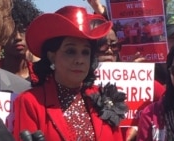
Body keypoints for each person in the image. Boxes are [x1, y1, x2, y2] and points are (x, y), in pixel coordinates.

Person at [13, 6, 128, 141]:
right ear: (52, 56)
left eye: (85, 52)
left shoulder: (105, 98)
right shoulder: (31, 102)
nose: (79, 60)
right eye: (70, 51)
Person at [0, 0, 42, 83]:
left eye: (22, 30)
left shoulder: (43, 76)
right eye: (11, 32)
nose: (18, 37)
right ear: (2, 33)